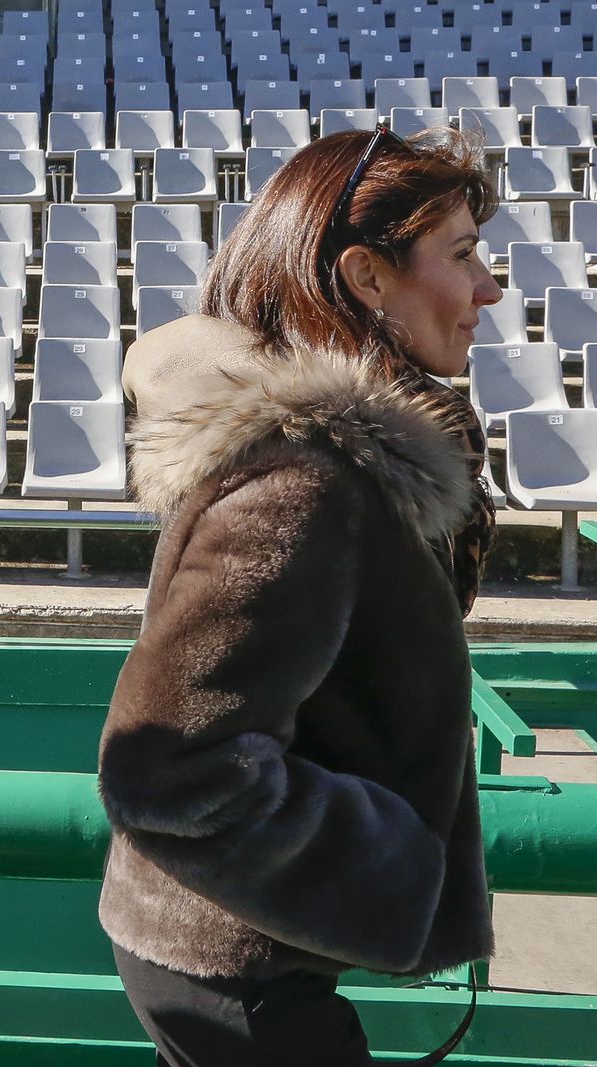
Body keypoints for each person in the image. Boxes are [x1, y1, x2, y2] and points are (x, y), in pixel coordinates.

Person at [97, 124, 502, 1065]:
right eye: (464, 254)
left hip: (237, 953)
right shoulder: (305, 481)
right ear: (366, 278)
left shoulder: (351, 469)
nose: (488, 287)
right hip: (229, 967)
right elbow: (170, 765)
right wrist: (394, 861)